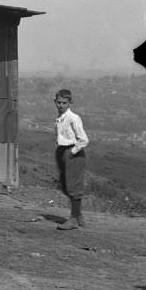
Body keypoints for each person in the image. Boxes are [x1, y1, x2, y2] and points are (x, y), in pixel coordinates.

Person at [54, 88, 88, 230]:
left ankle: (73, 219)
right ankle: (78, 214)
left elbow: (84, 140)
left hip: (74, 153)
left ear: (70, 103)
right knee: (63, 184)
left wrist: (71, 152)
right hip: (62, 151)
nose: (61, 105)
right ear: (55, 102)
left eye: (64, 103)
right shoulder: (59, 118)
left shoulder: (73, 118)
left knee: (74, 186)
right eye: (59, 102)